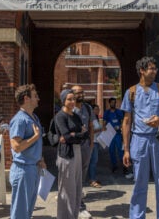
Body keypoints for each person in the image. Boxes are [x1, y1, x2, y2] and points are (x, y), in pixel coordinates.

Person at [121, 56, 159, 219]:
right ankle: (137, 216)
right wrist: (126, 149)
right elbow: (126, 120)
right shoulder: (131, 92)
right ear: (142, 71)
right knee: (139, 182)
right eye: (151, 68)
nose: (154, 71)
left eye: (155, 68)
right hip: (139, 140)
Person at [9, 84, 46, 219]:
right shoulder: (19, 120)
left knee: (28, 210)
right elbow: (16, 147)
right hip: (23, 169)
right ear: (26, 98)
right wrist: (34, 137)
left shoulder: (34, 117)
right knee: (20, 212)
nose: (38, 99)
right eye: (35, 96)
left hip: (33, 168)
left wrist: (41, 159)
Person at [55, 89, 89, 218]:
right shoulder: (60, 116)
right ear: (63, 100)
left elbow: (85, 134)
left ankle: (74, 216)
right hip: (66, 155)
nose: (72, 101)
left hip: (77, 151)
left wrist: (75, 135)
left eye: (73, 99)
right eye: (69, 99)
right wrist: (76, 135)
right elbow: (66, 137)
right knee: (67, 190)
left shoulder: (76, 116)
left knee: (76, 188)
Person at [71, 85, 95, 218]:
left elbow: (91, 125)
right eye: (78, 92)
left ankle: (78, 204)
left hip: (86, 147)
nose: (81, 94)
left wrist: (91, 143)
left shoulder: (87, 108)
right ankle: (79, 206)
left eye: (82, 92)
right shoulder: (70, 109)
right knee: (75, 175)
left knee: (81, 176)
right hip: (74, 147)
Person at [103, 98, 128, 176]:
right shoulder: (106, 113)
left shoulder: (119, 112)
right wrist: (105, 128)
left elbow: (123, 122)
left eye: (114, 102)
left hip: (117, 134)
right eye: (112, 103)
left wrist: (119, 126)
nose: (113, 104)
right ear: (109, 103)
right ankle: (114, 166)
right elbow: (104, 124)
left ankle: (124, 166)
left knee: (120, 150)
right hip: (110, 134)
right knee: (111, 151)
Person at [88, 104, 105, 188]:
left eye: (98, 109)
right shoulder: (91, 120)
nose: (97, 111)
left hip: (97, 142)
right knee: (93, 162)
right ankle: (92, 179)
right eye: (96, 109)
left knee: (94, 161)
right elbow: (90, 131)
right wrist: (100, 129)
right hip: (93, 142)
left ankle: (93, 177)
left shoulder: (97, 119)